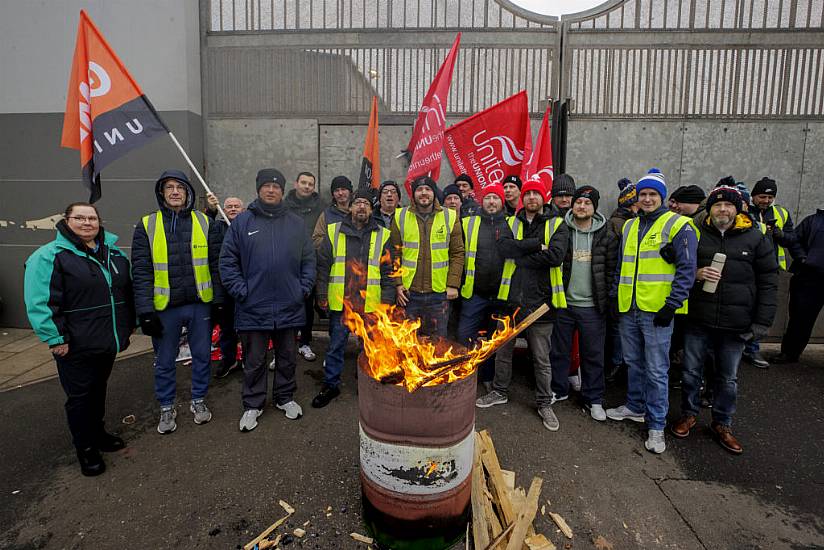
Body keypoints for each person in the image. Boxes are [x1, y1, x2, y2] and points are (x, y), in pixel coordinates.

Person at [24, 203, 134, 476]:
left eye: (92, 218)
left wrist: (129, 324)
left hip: (106, 340)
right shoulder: (50, 256)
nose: (87, 222)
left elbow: (125, 292)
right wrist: (55, 337)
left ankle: (98, 434)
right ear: (66, 220)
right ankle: (85, 448)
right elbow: (40, 302)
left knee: (98, 390)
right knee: (80, 397)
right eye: (80, 218)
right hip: (74, 345)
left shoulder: (114, 254)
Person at [671, 186, 777, 454]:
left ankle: (722, 423)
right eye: (718, 206)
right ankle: (688, 414)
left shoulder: (755, 237)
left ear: (737, 208)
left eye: (728, 206)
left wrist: (761, 323)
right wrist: (695, 273)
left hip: (735, 323)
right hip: (699, 318)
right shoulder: (695, 233)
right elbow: (674, 261)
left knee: (727, 378)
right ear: (710, 208)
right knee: (691, 372)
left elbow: (768, 282)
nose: (723, 210)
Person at [606, 168, 697, 455]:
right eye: (643, 194)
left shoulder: (678, 225)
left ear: (662, 197)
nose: (646, 199)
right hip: (629, 306)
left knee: (657, 369)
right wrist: (615, 296)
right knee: (633, 361)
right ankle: (635, 406)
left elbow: (687, 270)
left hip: (657, 310)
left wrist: (671, 305)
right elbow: (623, 265)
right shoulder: (631, 226)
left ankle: (656, 425)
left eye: (652, 194)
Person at [220, 169, 316, 431]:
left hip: (289, 304)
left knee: (287, 357)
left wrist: (302, 288)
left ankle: (285, 398)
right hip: (253, 307)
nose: (271, 190)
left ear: (283, 191)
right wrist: (243, 291)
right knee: (254, 360)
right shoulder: (242, 223)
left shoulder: (295, 223)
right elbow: (227, 262)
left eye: (276, 186)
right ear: (258, 189)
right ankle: (253, 404)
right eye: (266, 186)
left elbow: (309, 260)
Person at [132, 170, 224, 435]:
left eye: (180, 188)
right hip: (165, 308)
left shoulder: (204, 222)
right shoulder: (147, 224)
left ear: (188, 193)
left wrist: (218, 301)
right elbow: (140, 271)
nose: (175, 192)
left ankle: (198, 400)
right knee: (164, 360)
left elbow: (216, 266)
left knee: (202, 356)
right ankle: (166, 406)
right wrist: (145, 311)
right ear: (162, 193)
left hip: (199, 305)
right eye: (169, 187)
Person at [475, 179, 570, 432]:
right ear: (522, 198)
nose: (530, 198)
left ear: (543, 198)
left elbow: (556, 256)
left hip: (542, 304)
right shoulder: (511, 222)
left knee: (541, 358)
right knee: (503, 352)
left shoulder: (557, 224)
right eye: (527, 194)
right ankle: (499, 391)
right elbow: (504, 249)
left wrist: (522, 258)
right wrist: (535, 246)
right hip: (511, 302)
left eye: (535, 194)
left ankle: (544, 402)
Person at [314, 187, 395, 408]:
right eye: (358, 202)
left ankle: (367, 384)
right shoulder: (333, 231)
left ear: (371, 209)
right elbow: (322, 267)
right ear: (350, 207)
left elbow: (388, 273)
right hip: (342, 302)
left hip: (370, 305)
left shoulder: (382, 235)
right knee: (335, 347)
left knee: (370, 348)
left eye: (366, 204)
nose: (361, 207)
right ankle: (331, 384)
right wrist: (321, 294)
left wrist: (386, 303)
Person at [549, 186, 619, 424]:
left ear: (594, 207)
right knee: (559, 351)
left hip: (592, 306)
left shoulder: (607, 234)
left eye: (587, 203)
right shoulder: (561, 230)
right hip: (564, 304)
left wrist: (608, 300)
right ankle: (558, 389)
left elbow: (611, 270)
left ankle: (594, 398)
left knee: (593, 354)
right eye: (578, 202)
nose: (581, 206)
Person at [391, 176, 464, 338]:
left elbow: (457, 253)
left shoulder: (449, 216)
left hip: (439, 294)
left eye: (428, 189)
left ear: (434, 193)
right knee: (407, 345)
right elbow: (394, 253)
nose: (424, 193)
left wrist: (453, 285)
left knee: (438, 346)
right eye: (419, 190)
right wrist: (398, 284)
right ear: (413, 194)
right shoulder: (400, 216)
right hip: (409, 294)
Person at [456, 184, 511, 387]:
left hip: (500, 294)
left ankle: (487, 377)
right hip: (474, 292)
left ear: (501, 203)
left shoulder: (511, 224)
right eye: (487, 197)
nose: (491, 202)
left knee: (492, 339)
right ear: (482, 201)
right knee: (464, 334)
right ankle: (464, 373)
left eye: (495, 198)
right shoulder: (468, 223)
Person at [745, 177, 800, 369]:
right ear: (753, 196)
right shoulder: (744, 210)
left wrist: (780, 235)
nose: (766, 200)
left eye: (770, 197)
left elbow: (793, 238)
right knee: (744, 307)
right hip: (747, 267)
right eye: (762, 196)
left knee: (763, 309)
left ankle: (752, 348)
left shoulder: (781, 213)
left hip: (770, 270)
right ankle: (739, 346)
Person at [284, 171, 325, 362]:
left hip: (310, 264)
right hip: (286, 264)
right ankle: (284, 347)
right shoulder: (283, 206)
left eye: (310, 184)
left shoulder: (321, 207)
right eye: (304, 183)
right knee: (286, 305)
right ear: (296, 183)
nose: (307, 186)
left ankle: (305, 343)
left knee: (307, 306)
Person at [205, 194, 246, 378]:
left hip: (246, 287)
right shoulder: (216, 228)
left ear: (243, 210)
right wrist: (211, 210)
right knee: (226, 328)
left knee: (247, 328)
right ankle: (229, 360)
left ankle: (248, 360)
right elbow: (203, 227)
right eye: (229, 206)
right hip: (223, 287)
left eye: (236, 206)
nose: (232, 209)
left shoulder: (249, 227)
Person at [776, 208, 824, 364]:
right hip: (810, 277)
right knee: (800, 318)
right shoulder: (813, 220)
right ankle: (790, 353)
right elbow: (794, 240)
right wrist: (802, 258)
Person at [606, 178, 638, 382]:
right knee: (619, 329)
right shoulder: (622, 225)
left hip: (625, 286)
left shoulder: (622, 222)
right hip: (621, 286)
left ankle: (618, 363)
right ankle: (618, 364)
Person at [312, 175, 353, 248]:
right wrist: (336, 240)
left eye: (343, 189)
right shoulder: (326, 215)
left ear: (350, 191)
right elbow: (316, 240)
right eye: (336, 190)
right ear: (333, 194)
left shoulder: (359, 212)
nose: (340, 193)